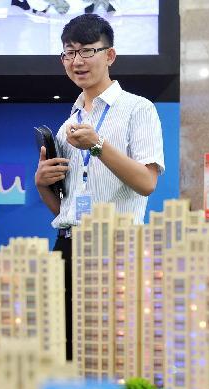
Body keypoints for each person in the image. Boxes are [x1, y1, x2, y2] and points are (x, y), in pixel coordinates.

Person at [34, 14, 164, 360]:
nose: (77, 61)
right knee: (64, 349)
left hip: (117, 250)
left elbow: (147, 182)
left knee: (113, 350)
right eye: (69, 53)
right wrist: (42, 183)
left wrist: (97, 146)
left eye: (88, 51)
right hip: (68, 248)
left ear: (110, 56)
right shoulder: (67, 125)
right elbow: (63, 207)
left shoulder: (139, 109)